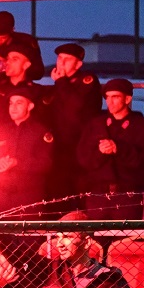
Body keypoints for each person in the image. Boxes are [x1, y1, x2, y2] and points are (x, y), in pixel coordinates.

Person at [75, 79, 144, 218]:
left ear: (127, 99)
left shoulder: (142, 126)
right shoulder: (96, 125)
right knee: (96, 238)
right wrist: (100, 152)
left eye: (115, 97)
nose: (110, 102)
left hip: (128, 196)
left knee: (125, 239)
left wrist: (119, 149)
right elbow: (83, 158)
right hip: (98, 195)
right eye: (107, 97)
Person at [0, 88, 54, 215]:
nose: (13, 107)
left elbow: (46, 163)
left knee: (29, 234)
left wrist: (17, 162)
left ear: (30, 106)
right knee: (2, 233)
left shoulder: (40, 132)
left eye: (19, 103)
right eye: (11, 103)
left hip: (30, 198)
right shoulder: (0, 131)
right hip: (2, 197)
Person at [47, 45, 103, 199]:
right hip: (61, 148)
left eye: (67, 59)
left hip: (80, 147)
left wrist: (62, 82)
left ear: (78, 64)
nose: (61, 62)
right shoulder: (59, 84)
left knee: (79, 193)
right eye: (59, 58)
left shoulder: (87, 80)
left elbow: (75, 107)